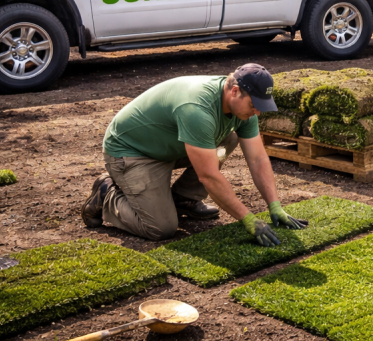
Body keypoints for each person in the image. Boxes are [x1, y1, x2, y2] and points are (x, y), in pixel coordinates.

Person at [81, 63, 306, 245]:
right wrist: (247, 219)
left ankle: (183, 199)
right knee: (161, 228)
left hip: (169, 143)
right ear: (235, 91)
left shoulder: (242, 109)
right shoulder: (197, 109)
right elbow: (208, 176)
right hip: (132, 151)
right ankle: (106, 193)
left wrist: (274, 205)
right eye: (254, 104)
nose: (257, 111)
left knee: (230, 137)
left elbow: (257, 158)